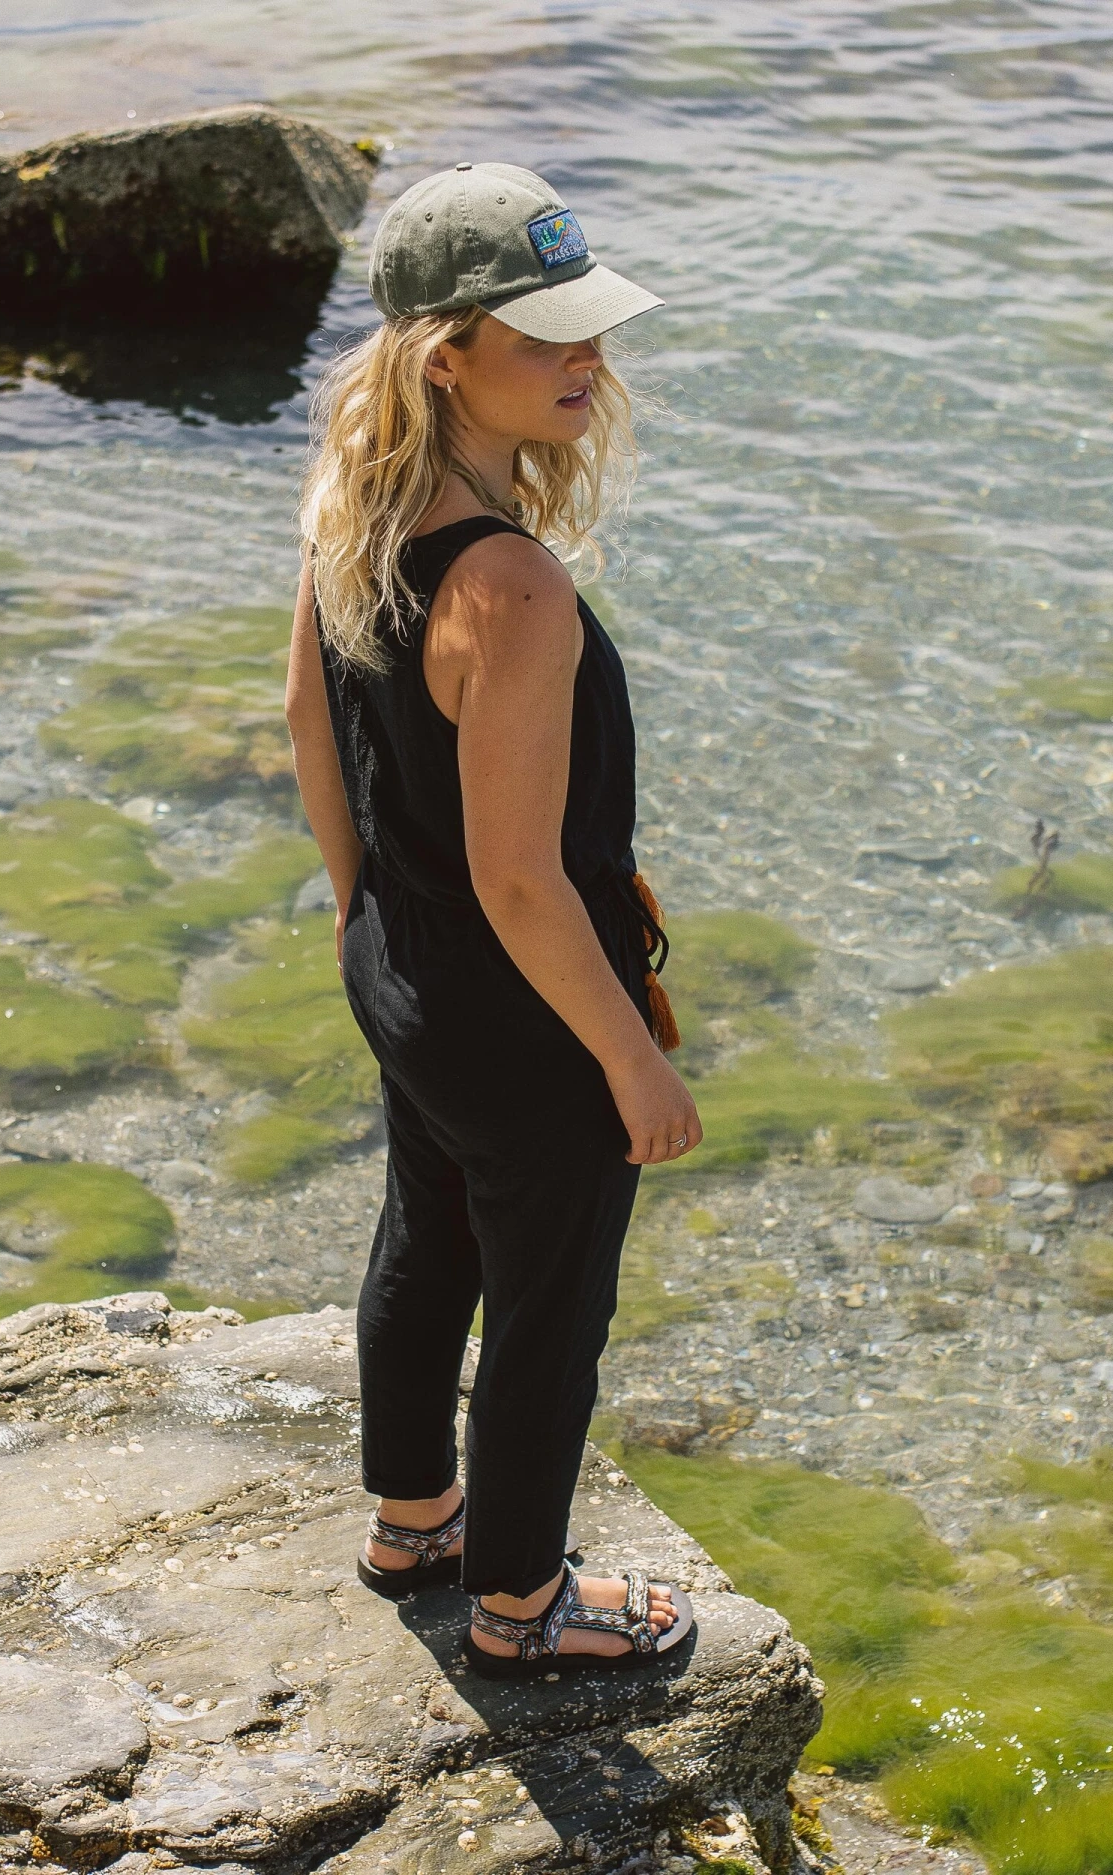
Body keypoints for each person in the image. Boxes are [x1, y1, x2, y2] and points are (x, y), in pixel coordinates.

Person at [285, 162, 702, 1678]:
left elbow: (310, 726)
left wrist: (371, 917)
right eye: (545, 336)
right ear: (447, 353)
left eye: (591, 326)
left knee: (428, 1235)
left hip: (408, 970)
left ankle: (414, 1522)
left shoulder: (355, 504)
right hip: (526, 1013)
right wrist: (633, 1062)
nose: (587, 358)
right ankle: (524, 1604)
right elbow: (523, 879)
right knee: (546, 1307)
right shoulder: (512, 588)